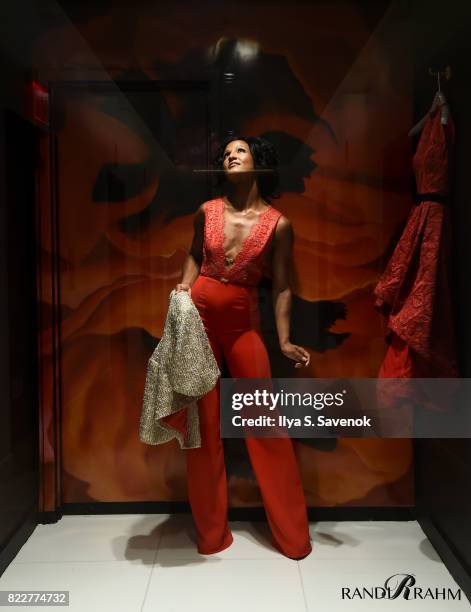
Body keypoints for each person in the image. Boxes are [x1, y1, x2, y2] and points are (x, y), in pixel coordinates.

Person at [175, 135, 312, 559]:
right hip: (197, 323)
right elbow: (195, 255)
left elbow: (284, 286)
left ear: (259, 162)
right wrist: (183, 286)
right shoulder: (207, 211)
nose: (231, 156)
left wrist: (285, 339)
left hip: (241, 328)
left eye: (241, 151)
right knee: (204, 430)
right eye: (227, 153)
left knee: (265, 426)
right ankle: (211, 536)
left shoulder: (279, 224)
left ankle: (293, 539)